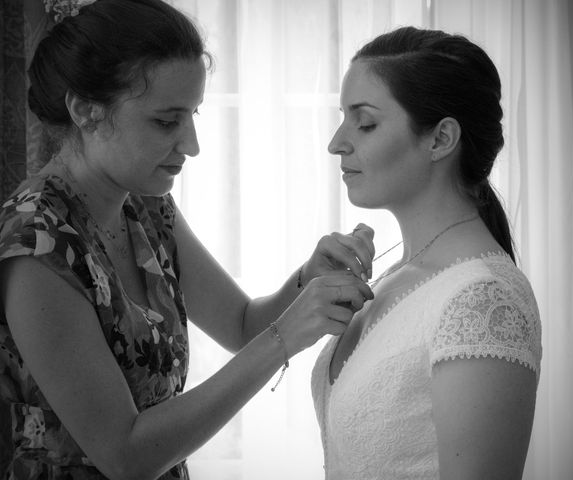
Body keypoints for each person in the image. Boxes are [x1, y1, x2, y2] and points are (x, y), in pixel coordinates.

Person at [0, 1, 375, 478]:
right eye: (165, 121)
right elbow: (127, 456)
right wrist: (286, 338)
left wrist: (307, 279)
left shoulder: (147, 207)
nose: (192, 144)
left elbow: (241, 324)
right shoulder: (35, 245)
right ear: (85, 111)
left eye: (192, 114)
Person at [311, 26, 542, 479]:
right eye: (344, 118)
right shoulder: (400, 275)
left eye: (365, 122)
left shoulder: (484, 300)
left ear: (440, 140)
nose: (337, 142)